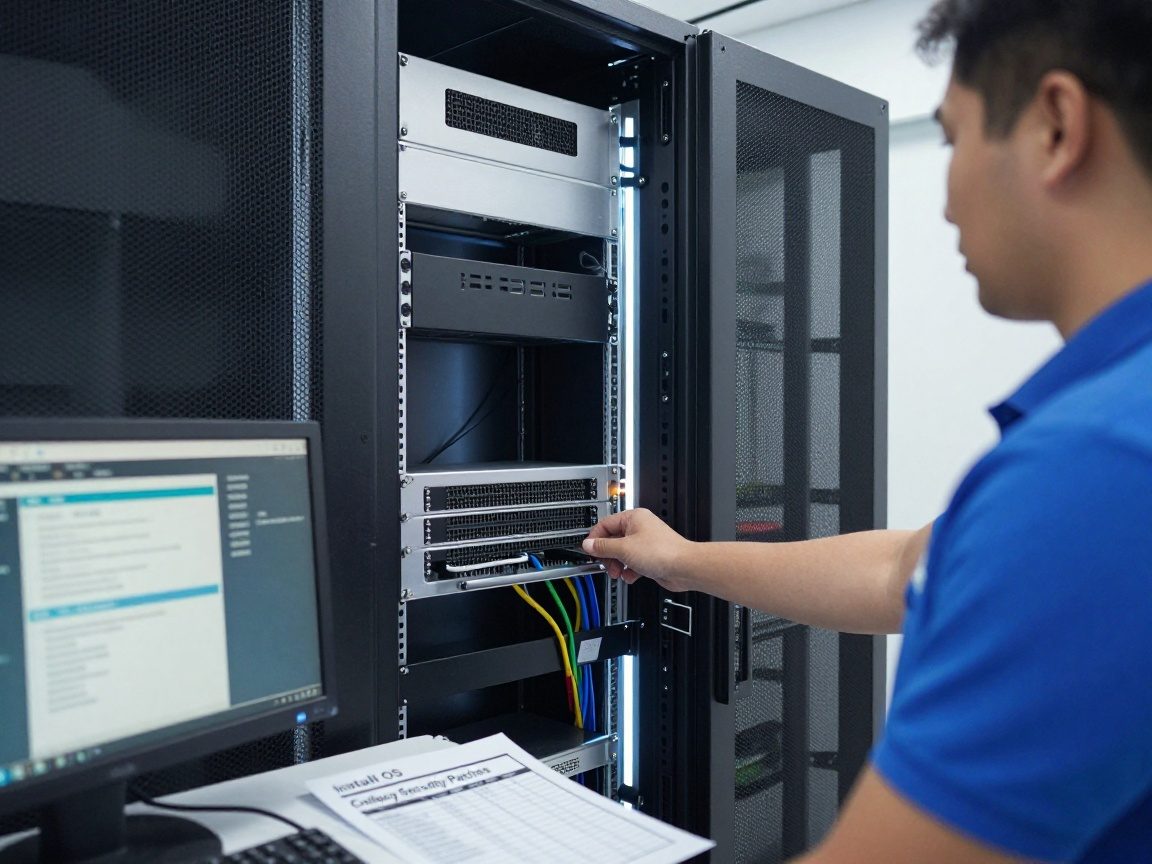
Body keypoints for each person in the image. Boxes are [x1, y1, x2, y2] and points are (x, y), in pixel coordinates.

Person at [582, 1, 1152, 861]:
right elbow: (903, 569)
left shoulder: (1094, 472)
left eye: (954, 140)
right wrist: (685, 560)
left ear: (1057, 127)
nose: (947, 195)